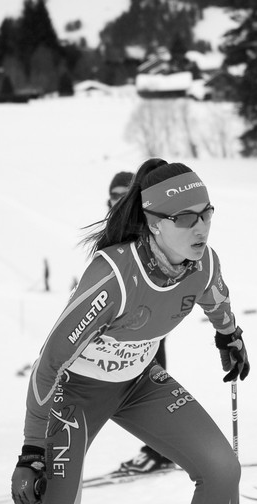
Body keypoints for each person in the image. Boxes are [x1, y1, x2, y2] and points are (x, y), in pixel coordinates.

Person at [10, 158, 250, 504]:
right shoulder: (115, 277)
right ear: (154, 224)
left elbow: (215, 297)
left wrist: (229, 335)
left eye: (206, 214)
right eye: (185, 218)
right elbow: (50, 363)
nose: (200, 228)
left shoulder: (203, 263)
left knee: (221, 469)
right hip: (76, 396)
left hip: (138, 384)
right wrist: (31, 450)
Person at [107, 170, 174, 474]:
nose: (117, 202)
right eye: (113, 197)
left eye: (124, 196)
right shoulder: (113, 230)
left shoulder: (147, 226)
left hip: (149, 320)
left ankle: (160, 452)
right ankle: (161, 450)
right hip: (123, 325)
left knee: (149, 385)